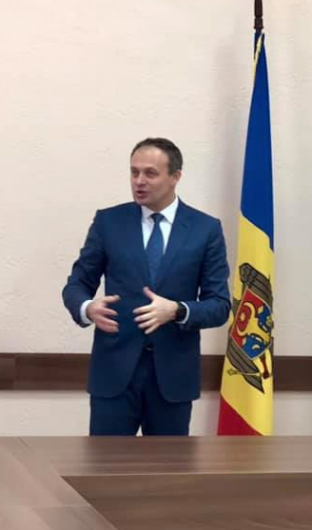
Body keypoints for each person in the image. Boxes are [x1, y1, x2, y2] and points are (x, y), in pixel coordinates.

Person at [62, 137, 230, 436]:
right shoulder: (109, 222)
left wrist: (178, 310)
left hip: (173, 377)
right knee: (105, 463)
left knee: (168, 465)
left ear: (175, 176)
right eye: (134, 172)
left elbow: (219, 305)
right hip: (114, 373)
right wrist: (88, 308)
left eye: (150, 173)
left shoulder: (205, 229)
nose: (139, 181)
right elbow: (77, 284)